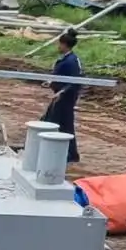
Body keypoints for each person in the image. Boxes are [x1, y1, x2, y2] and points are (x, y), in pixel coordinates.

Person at [42, 29, 84, 163]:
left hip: (65, 98)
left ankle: (69, 154)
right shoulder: (68, 59)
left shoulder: (72, 61)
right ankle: (70, 154)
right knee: (55, 122)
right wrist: (51, 82)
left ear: (65, 44)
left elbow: (75, 81)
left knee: (56, 124)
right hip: (60, 96)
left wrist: (61, 92)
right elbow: (62, 76)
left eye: (59, 44)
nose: (58, 47)